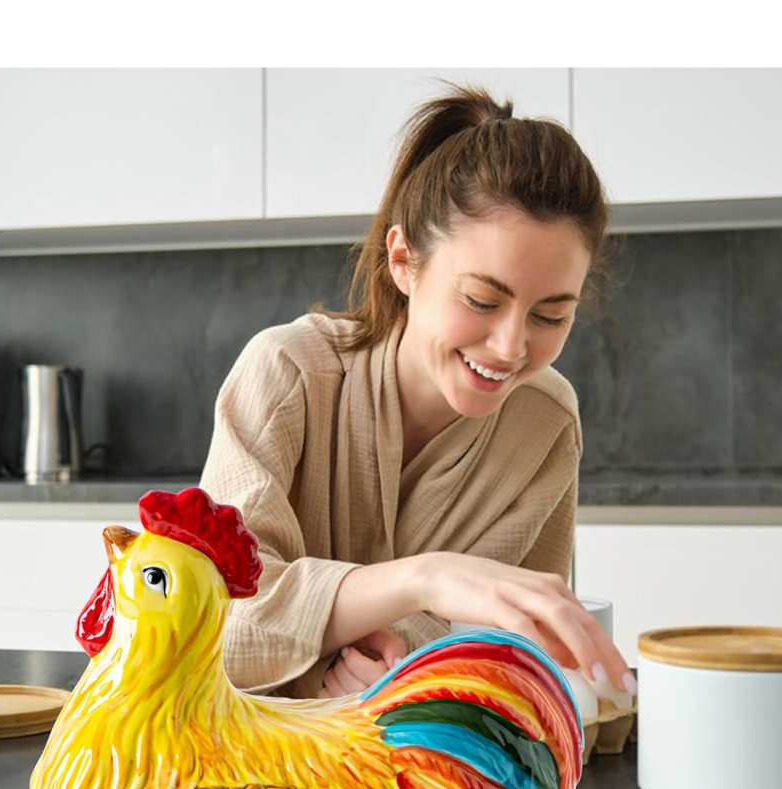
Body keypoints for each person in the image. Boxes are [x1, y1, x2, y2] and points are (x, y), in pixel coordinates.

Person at [199, 83, 635, 702]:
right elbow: (210, 623)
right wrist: (426, 581)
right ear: (404, 261)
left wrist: (385, 674)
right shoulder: (288, 375)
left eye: (550, 316)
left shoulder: (545, 425)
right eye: (482, 300)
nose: (511, 348)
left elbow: (515, 659)